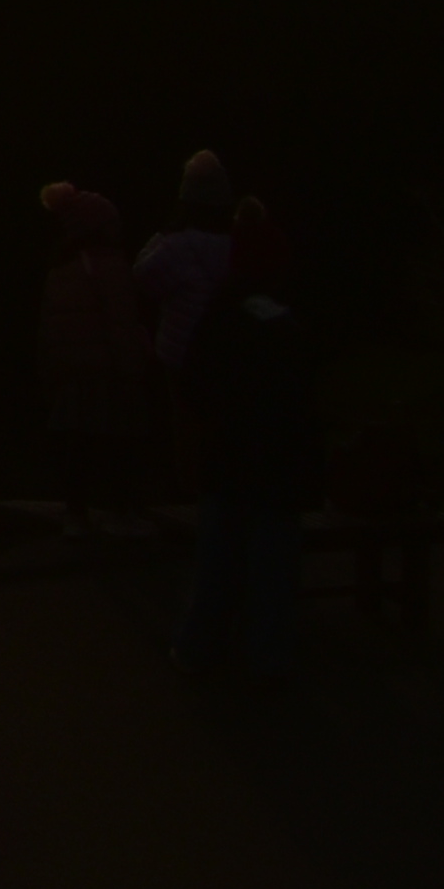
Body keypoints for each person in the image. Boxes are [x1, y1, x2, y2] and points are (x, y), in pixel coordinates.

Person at [178, 203, 317, 687]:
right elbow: (306, 403)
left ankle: (198, 648)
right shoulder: (288, 330)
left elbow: (193, 384)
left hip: (225, 462)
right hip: (276, 470)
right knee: (273, 571)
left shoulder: (218, 320)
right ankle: (267, 657)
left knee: (215, 566)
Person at [33, 185, 150, 530]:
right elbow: (121, 322)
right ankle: (124, 512)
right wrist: (134, 364)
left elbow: (50, 330)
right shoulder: (112, 267)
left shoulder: (60, 268)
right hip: (109, 369)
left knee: (78, 445)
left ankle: (76, 514)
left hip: (74, 373)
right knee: (122, 443)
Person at [134, 149, 241, 484]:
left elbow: (141, 276)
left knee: (186, 426)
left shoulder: (176, 245)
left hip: (181, 352)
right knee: (224, 425)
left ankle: (190, 493)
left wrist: (161, 235)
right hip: (231, 349)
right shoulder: (238, 242)